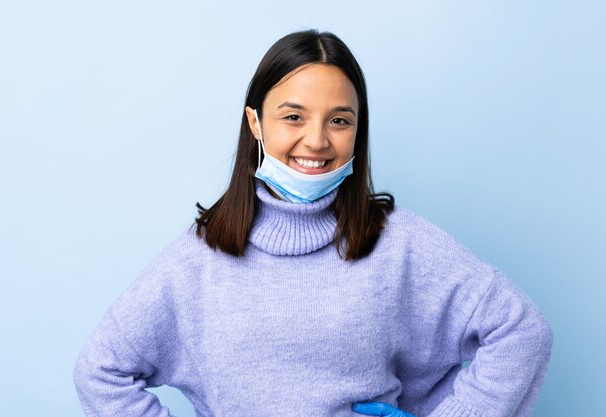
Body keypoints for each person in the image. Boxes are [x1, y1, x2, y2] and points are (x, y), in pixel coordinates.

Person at [73, 29, 553, 417]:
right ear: (256, 124)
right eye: (294, 116)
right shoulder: (198, 260)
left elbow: (520, 331)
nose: (317, 140)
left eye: (339, 120)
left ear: (358, 129)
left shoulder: (400, 243)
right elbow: (101, 371)